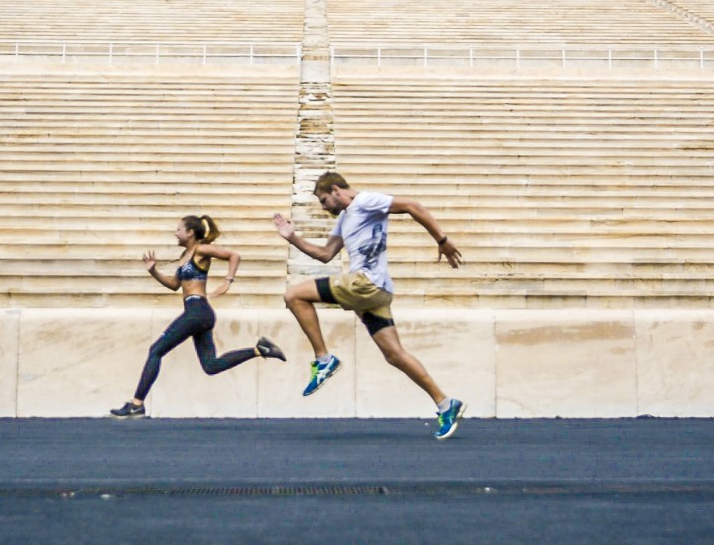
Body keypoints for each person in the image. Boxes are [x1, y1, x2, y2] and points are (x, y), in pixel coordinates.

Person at [272, 172, 467, 439]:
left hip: (365, 284)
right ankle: (446, 404)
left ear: (338, 190)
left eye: (324, 199)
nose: (323, 206)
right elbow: (325, 254)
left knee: (294, 295)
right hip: (378, 292)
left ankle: (324, 359)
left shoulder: (365, 201)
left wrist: (442, 241)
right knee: (394, 354)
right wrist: (292, 237)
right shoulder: (344, 218)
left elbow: (413, 206)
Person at [111, 215, 286, 418]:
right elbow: (175, 285)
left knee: (156, 350)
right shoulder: (184, 256)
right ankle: (259, 349)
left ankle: (136, 404)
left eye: (178, 229)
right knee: (211, 366)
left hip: (197, 311)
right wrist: (154, 271)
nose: (175, 233)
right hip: (198, 313)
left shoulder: (201, 250)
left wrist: (228, 281)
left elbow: (234, 255)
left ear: (190, 232)